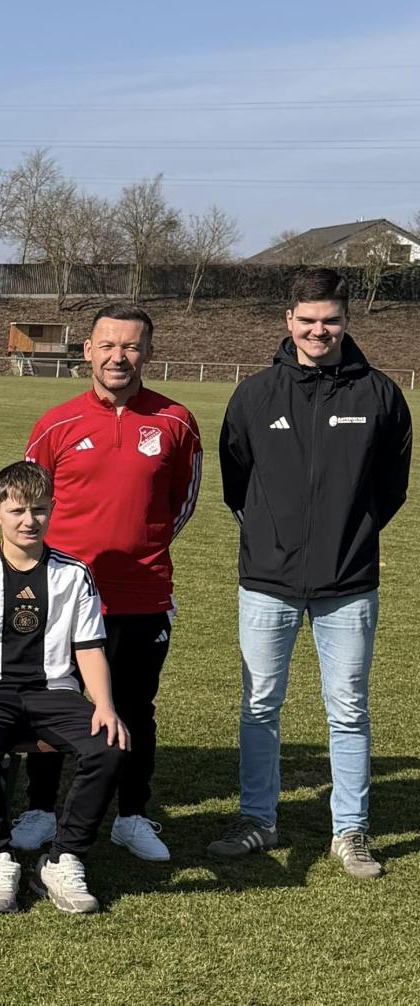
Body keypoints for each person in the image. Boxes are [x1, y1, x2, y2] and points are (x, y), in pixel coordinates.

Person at [209, 268, 410, 879]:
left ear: (346, 320)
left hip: (348, 583)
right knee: (259, 705)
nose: (319, 331)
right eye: (308, 320)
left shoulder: (380, 395)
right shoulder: (255, 394)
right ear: (288, 319)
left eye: (330, 320)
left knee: (348, 709)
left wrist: (349, 534)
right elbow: (236, 479)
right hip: (266, 581)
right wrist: (272, 537)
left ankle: (350, 830)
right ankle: (258, 819)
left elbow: (391, 487)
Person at [17, 303, 201, 863]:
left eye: (131, 346)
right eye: (107, 345)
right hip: (63, 597)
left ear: (148, 352)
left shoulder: (176, 421)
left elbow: (180, 503)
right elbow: (29, 504)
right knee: (53, 700)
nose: (118, 357)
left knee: (135, 706)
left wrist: (144, 546)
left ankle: (132, 815)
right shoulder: (56, 423)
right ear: (88, 351)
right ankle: (41, 809)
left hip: (142, 593)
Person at [0, 461, 129, 915]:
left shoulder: (74, 573)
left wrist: (104, 705)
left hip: (55, 692)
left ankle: (64, 858)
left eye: (40, 509)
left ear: (52, 509)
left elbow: (89, 648)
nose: (30, 520)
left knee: (109, 745)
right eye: (18, 510)